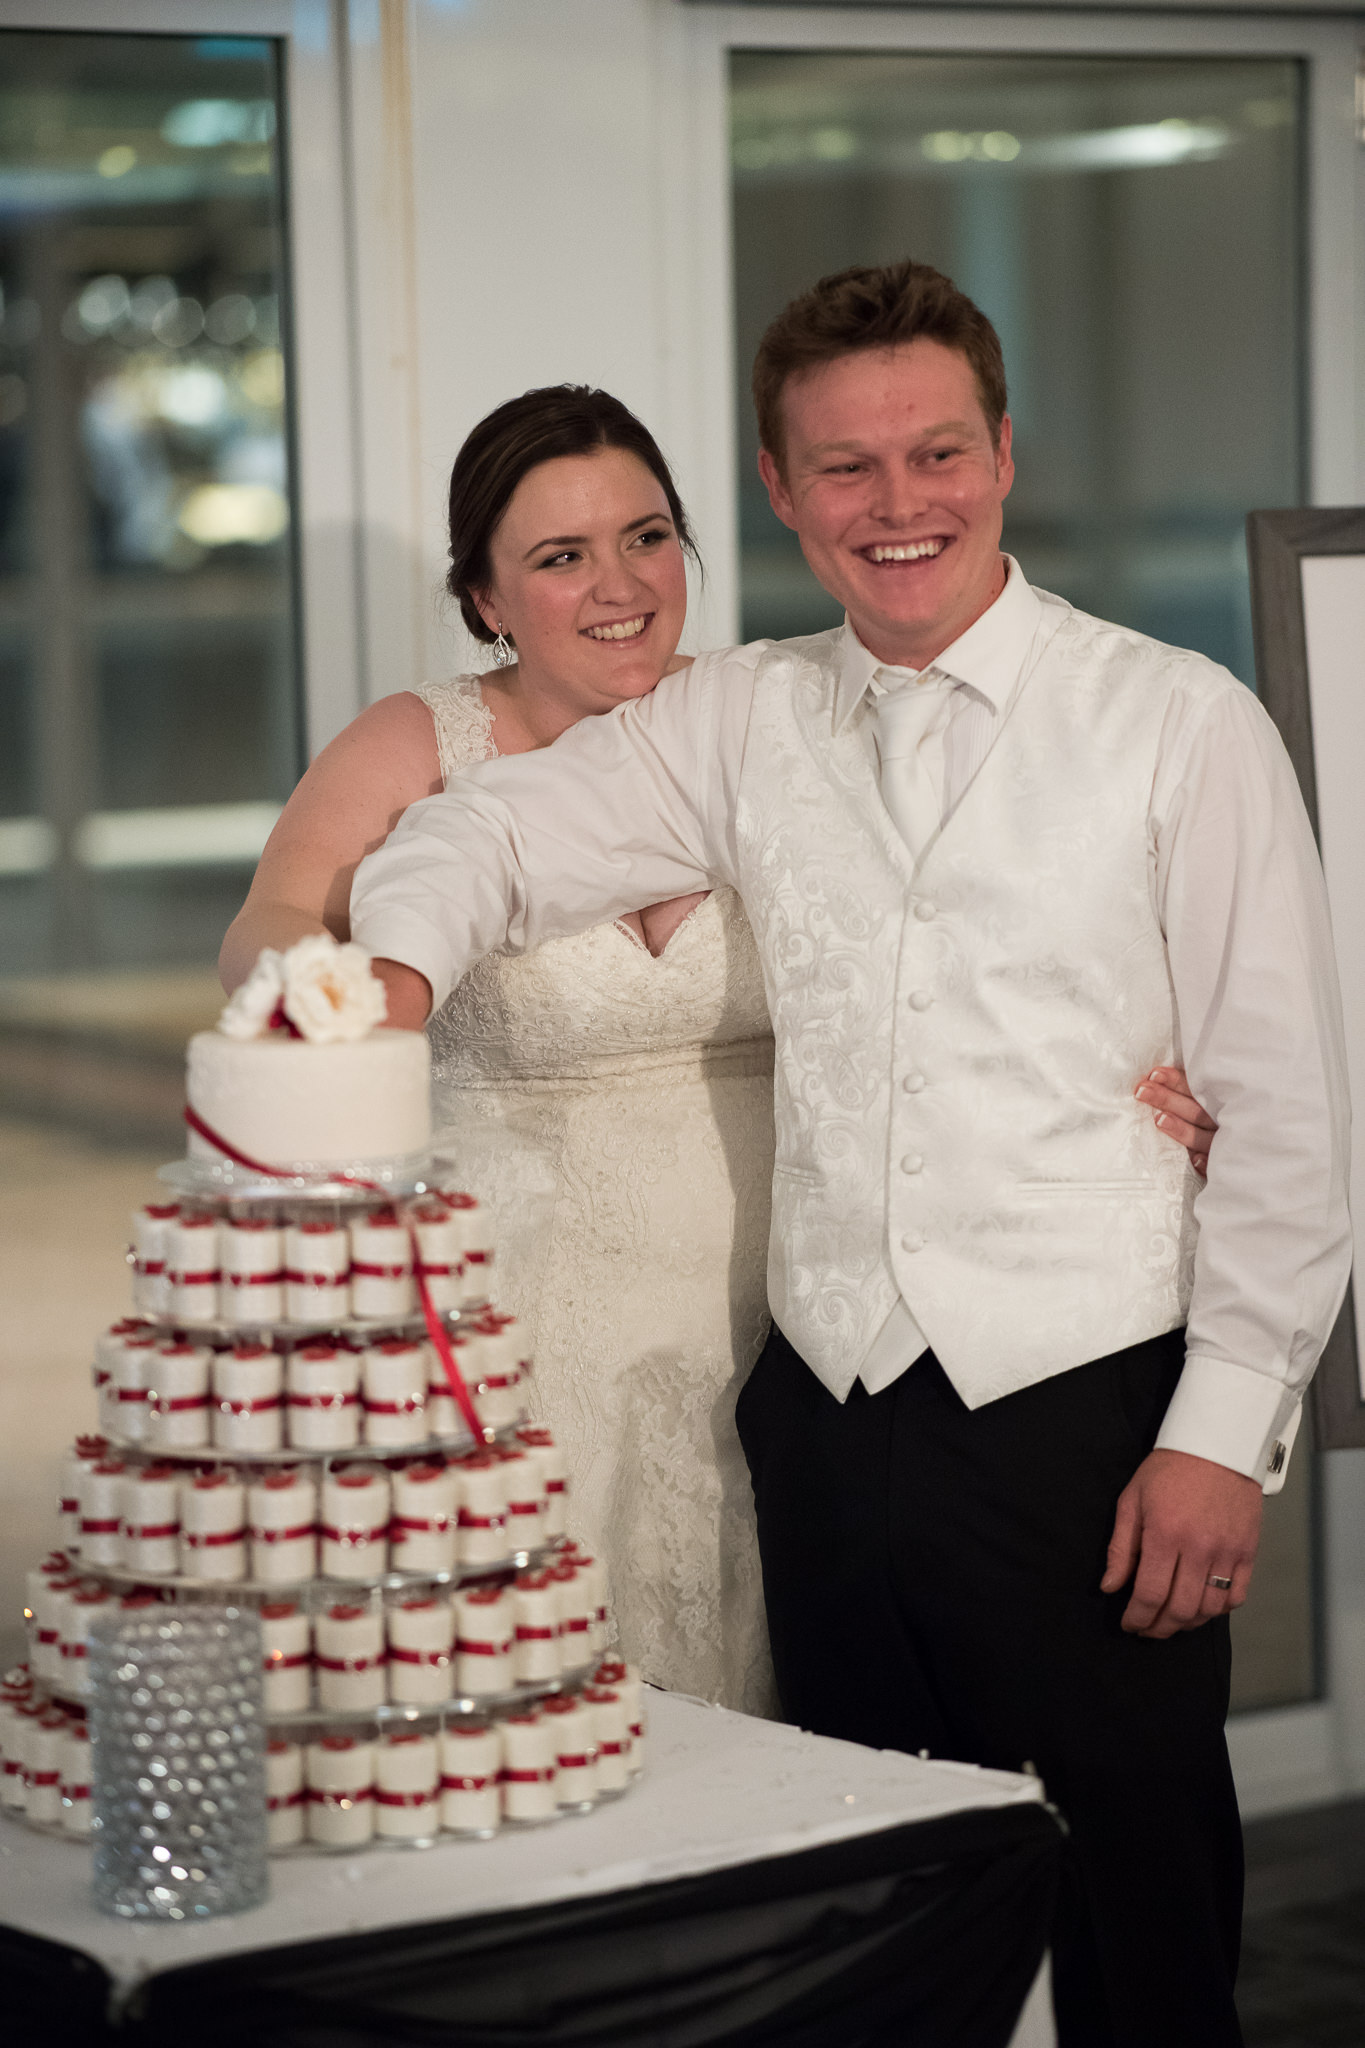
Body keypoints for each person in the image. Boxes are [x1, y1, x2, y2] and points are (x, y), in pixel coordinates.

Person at [346, 264, 1350, 2048]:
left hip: (1087, 1404)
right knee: (885, 1914)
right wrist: (398, 966)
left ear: (1002, 454)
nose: (899, 506)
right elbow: (488, 830)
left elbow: (1283, 1108)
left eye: (933, 454)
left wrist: (1222, 1431)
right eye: (846, 470)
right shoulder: (738, 715)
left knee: (1132, 1898)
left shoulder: (1176, 721)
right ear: (780, 487)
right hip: (816, 1410)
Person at [223, 384, 1213, 1727]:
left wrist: (1141, 1077)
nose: (619, 587)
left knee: (803, 1721)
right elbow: (277, 920)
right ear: (484, 598)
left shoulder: (777, 714)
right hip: (525, 1314)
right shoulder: (420, 743)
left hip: (795, 1325)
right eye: (560, 558)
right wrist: (328, 1000)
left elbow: (975, 941)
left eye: (645, 538)